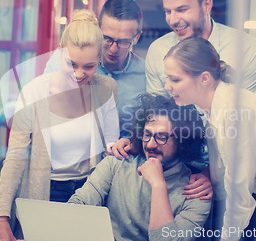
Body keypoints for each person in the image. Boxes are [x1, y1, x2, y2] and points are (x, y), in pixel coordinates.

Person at [163, 37, 256, 241]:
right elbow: (223, 174)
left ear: (204, 78)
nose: (166, 86)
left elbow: (240, 195)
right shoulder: (214, 108)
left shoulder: (235, 111)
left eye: (175, 79)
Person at [0, 9, 120, 241]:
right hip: (45, 193)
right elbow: (15, 158)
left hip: (88, 193)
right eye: (72, 63)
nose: (79, 74)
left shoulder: (107, 88)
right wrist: (0, 218)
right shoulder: (33, 92)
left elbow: (111, 152)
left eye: (89, 66)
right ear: (60, 50)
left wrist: (123, 146)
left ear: (100, 58)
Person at [68, 93, 211, 241]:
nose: (150, 144)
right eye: (147, 134)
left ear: (183, 142)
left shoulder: (196, 193)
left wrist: (157, 184)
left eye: (162, 137)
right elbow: (77, 206)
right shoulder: (117, 163)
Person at [146, 0, 256, 98]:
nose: (172, 20)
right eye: (168, 11)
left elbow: (249, 113)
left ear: (206, 5)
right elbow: (157, 112)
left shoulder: (248, 51)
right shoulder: (157, 51)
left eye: (182, 10)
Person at [44, 0, 146, 138]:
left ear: (137, 38)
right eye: (107, 39)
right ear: (97, 29)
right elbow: (40, 112)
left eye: (123, 42)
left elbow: (146, 130)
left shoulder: (146, 76)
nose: (113, 49)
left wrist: (131, 143)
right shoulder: (64, 60)